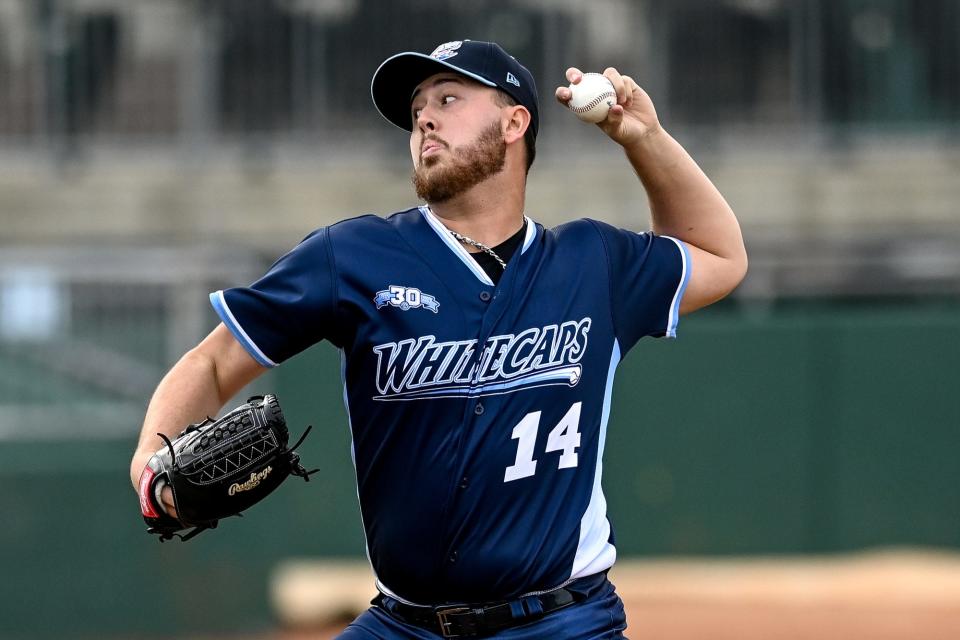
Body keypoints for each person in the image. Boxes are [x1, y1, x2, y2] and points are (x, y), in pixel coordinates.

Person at [130, 39, 747, 639]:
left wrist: (644, 139)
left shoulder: (594, 263)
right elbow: (213, 363)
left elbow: (721, 257)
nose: (424, 116)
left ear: (514, 123)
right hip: (405, 624)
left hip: (560, 622)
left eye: (448, 98)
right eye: (417, 107)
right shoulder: (353, 256)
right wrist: (148, 471)